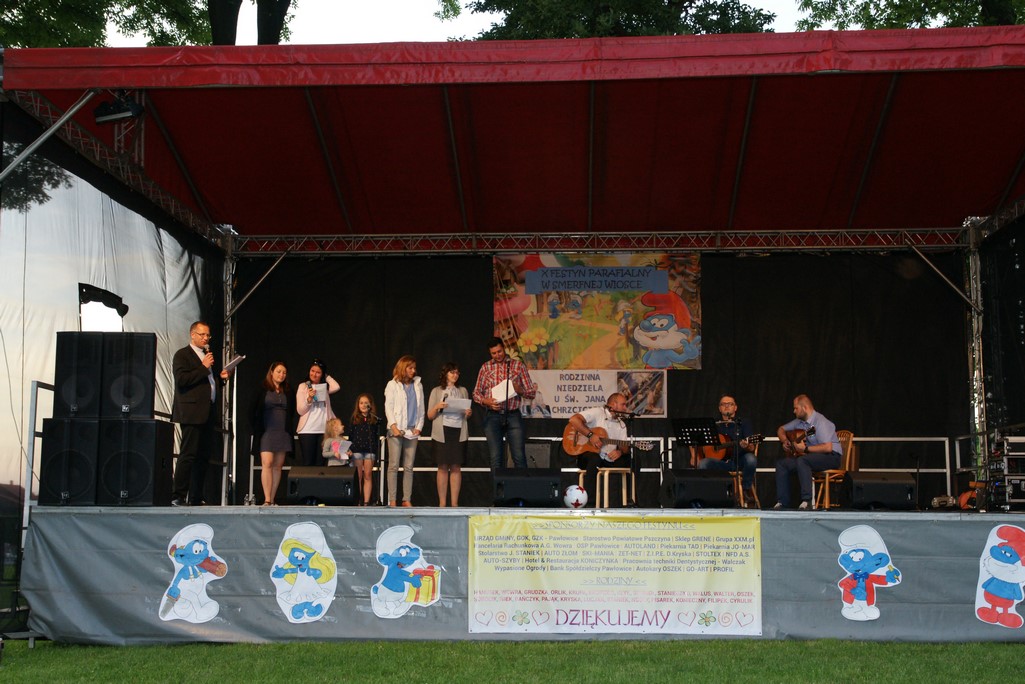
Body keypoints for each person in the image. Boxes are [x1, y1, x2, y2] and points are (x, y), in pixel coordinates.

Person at [171, 321, 231, 507]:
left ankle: (196, 497)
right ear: (192, 334)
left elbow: (206, 384)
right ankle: (178, 495)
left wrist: (220, 379)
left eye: (208, 335)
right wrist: (203, 367)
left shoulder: (206, 356)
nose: (206, 338)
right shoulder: (183, 355)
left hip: (207, 411)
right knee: (188, 454)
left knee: (203, 457)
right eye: (202, 334)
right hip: (191, 412)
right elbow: (182, 380)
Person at [472, 337, 537, 469]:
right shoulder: (485, 367)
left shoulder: (517, 365)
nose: (497, 355)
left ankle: (521, 483)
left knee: (519, 456)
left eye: (499, 351)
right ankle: (498, 484)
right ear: (490, 353)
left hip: (513, 414)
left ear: (504, 348)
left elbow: (531, 393)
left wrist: (519, 390)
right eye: (493, 353)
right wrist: (486, 401)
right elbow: (476, 393)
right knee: (495, 458)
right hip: (493, 415)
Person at [774, 394, 842, 510]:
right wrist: (784, 441)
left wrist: (805, 449)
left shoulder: (821, 421)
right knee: (782, 464)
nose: (794, 411)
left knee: (803, 460)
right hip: (813, 456)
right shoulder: (800, 422)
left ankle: (807, 501)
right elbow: (781, 429)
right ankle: (782, 503)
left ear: (804, 408)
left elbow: (827, 448)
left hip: (831, 457)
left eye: (796, 408)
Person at [565, 393, 634, 506]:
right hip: (588, 455)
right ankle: (590, 503)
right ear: (613, 405)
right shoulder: (598, 412)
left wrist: (620, 452)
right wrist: (590, 435)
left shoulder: (621, 424)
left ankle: (629, 500)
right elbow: (574, 420)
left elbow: (624, 447)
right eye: (623, 404)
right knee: (594, 459)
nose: (625, 408)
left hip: (608, 459)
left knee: (634, 460)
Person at [693, 395, 759, 506]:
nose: (727, 406)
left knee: (751, 459)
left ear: (735, 408)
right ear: (719, 408)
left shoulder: (743, 423)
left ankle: (745, 489)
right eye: (723, 404)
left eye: (730, 404)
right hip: (721, 463)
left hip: (739, 461)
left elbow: (752, 447)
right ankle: (707, 497)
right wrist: (694, 456)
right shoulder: (714, 424)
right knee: (704, 463)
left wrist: (746, 446)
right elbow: (695, 440)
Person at [249, 361, 296, 506]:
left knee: (278, 466)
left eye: (284, 372)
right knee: (267, 463)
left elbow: (292, 411)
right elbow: (251, 410)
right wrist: (256, 427)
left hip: (283, 432)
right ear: (271, 372)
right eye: (279, 371)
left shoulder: (288, 391)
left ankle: (273, 498)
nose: (281, 375)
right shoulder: (262, 389)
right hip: (267, 431)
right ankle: (267, 499)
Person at [426, 362, 473, 507]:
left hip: (458, 431)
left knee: (456, 467)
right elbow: (430, 416)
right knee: (442, 467)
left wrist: (468, 413)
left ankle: (454, 504)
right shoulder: (436, 391)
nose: (455, 375)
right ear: (445, 373)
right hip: (442, 431)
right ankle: (442, 504)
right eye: (452, 372)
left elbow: (467, 414)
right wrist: (437, 406)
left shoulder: (463, 390)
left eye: (457, 372)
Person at [384, 355, 424, 507]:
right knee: (393, 465)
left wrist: (419, 427)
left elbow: (421, 408)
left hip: (411, 431)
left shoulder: (418, 385)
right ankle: (392, 500)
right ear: (403, 368)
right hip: (396, 430)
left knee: (409, 466)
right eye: (410, 368)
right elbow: (388, 406)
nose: (413, 371)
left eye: (414, 368)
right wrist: (393, 426)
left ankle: (406, 499)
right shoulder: (392, 385)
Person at [295, 360, 341, 467]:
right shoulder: (303, 386)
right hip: (307, 430)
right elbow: (300, 410)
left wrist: (326, 376)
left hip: (324, 430)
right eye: (312, 371)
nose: (314, 374)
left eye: (318, 372)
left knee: (321, 464)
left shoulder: (325, 387)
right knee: (308, 463)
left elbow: (336, 386)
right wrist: (309, 399)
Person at [348, 393, 380, 506]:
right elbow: (351, 435)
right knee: (358, 476)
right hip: (357, 450)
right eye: (361, 403)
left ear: (370, 405)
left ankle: (366, 502)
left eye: (366, 403)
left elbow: (376, 436)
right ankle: (357, 501)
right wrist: (350, 449)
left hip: (369, 451)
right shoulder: (355, 419)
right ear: (358, 405)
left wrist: (375, 449)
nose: (363, 405)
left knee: (368, 475)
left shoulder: (374, 420)